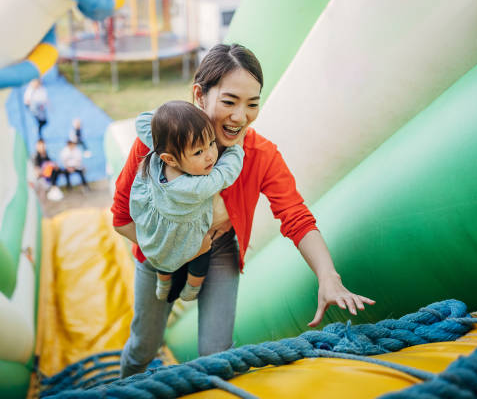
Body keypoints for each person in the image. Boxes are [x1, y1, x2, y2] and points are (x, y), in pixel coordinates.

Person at [112, 43, 375, 378]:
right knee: (144, 346)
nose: (241, 116)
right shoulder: (158, 144)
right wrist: (170, 248)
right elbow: (121, 218)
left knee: (215, 354)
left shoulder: (259, 154)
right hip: (157, 248)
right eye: (229, 101)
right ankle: (125, 385)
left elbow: (295, 216)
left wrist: (328, 276)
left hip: (218, 249)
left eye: (252, 104)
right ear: (199, 95)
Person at [131, 100, 245, 302]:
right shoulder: (194, 188)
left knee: (161, 261)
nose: (210, 156)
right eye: (199, 152)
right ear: (170, 159)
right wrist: (236, 148)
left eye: (211, 143)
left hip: (158, 236)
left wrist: (177, 118)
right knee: (201, 254)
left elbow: (142, 121)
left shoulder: (161, 153)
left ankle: (163, 283)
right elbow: (226, 173)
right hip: (187, 239)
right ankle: (191, 290)